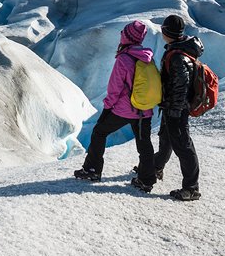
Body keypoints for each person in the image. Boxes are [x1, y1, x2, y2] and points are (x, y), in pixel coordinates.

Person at [74, 20, 158, 192]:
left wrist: (107, 108)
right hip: (144, 110)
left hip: (124, 109)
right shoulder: (147, 56)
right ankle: (146, 179)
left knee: (99, 132)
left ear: (127, 37)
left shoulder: (124, 59)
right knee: (144, 144)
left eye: (123, 33)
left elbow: (115, 89)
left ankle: (92, 170)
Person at [154, 15, 203, 201]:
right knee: (166, 140)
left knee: (183, 145)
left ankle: (191, 188)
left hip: (177, 108)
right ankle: (156, 168)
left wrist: (174, 109)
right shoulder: (181, 50)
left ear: (167, 32)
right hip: (172, 107)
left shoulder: (177, 57)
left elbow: (181, 85)